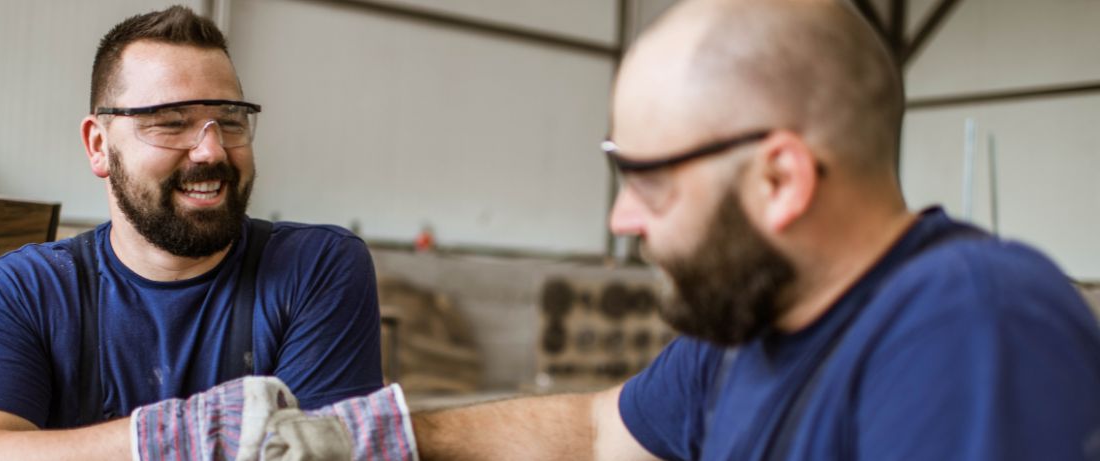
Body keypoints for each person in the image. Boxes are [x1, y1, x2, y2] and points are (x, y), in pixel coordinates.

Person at [398, 0, 1100, 460]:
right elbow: (594, 431)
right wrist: (385, 437)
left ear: (780, 180)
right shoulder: (743, 332)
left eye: (648, 179)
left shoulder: (969, 325)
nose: (621, 219)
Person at [0, 6, 382, 460]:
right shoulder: (23, 290)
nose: (211, 149)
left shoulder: (316, 267)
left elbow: (323, 453)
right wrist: (184, 432)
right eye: (170, 122)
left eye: (228, 120)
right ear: (99, 146)